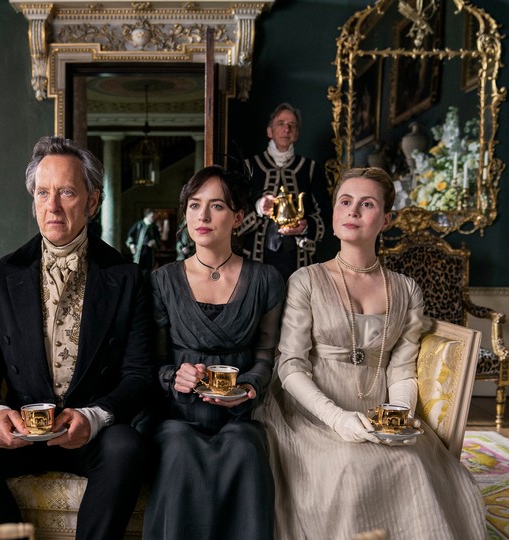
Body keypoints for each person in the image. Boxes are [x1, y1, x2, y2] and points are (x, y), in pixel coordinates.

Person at [254, 167, 486, 539]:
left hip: (378, 406)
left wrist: (398, 414)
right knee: (348, 465)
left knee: (410, 462)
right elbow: (291, 366)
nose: (353, 211)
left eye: (367, 204)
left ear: (386, 219)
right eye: (345, 202)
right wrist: (337, 418)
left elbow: (402, 368)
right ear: (332, 217)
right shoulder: (306, 280)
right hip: (312, 410)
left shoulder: (406, 289)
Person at [0, 136, 153, 539]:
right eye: (43, 193)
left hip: (90, 434)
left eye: (67, 192)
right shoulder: (1, 277)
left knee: (127, 447)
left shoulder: (127, 277)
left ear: (92, 202)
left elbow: (139, 375)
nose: (53, 206)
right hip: (23, 431)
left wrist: (93, 418)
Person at [143, 166, 284, 539]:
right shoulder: (162, 280)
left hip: (239, 417)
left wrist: (250, 386)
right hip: (179, 416)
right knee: (177, 449)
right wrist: (176, 376)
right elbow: (154, 363)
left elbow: (266, 355)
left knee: (246, 449)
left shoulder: (265, 279)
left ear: (238, 217)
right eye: (194, 205)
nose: (202, 217)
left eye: (216, 206)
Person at [237, 103, 331, 281]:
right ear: (269, 131)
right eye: (280, 123)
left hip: (299, 259)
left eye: (292, 125)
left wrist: (306, 226)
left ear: (296, 134)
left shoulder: (310, 169)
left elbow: (325, 212)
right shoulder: (250, 166)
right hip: (256, 258)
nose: (286, 129)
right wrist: (258, 208)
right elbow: (234, 211)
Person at [126, 207, 160, 273]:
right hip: (139, 250)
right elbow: (130, 235)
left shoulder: (154, 227)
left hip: (150, 251)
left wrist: (154, 242)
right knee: (137, 268)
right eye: (152, 216)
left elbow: (158, 238)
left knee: (148, 269)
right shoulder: (139, 224)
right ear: (147, 215)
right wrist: (132, 245)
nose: (153, 218)